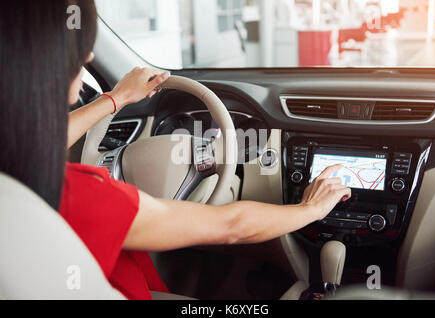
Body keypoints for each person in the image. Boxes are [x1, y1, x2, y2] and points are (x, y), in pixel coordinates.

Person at [0, 0, 351, 300]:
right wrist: (310, 208)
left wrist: (117, 98)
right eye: (78, 49)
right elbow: (232, 225)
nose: (90, 55)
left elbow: (36, 137)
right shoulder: (85, 196)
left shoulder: (17, 185)